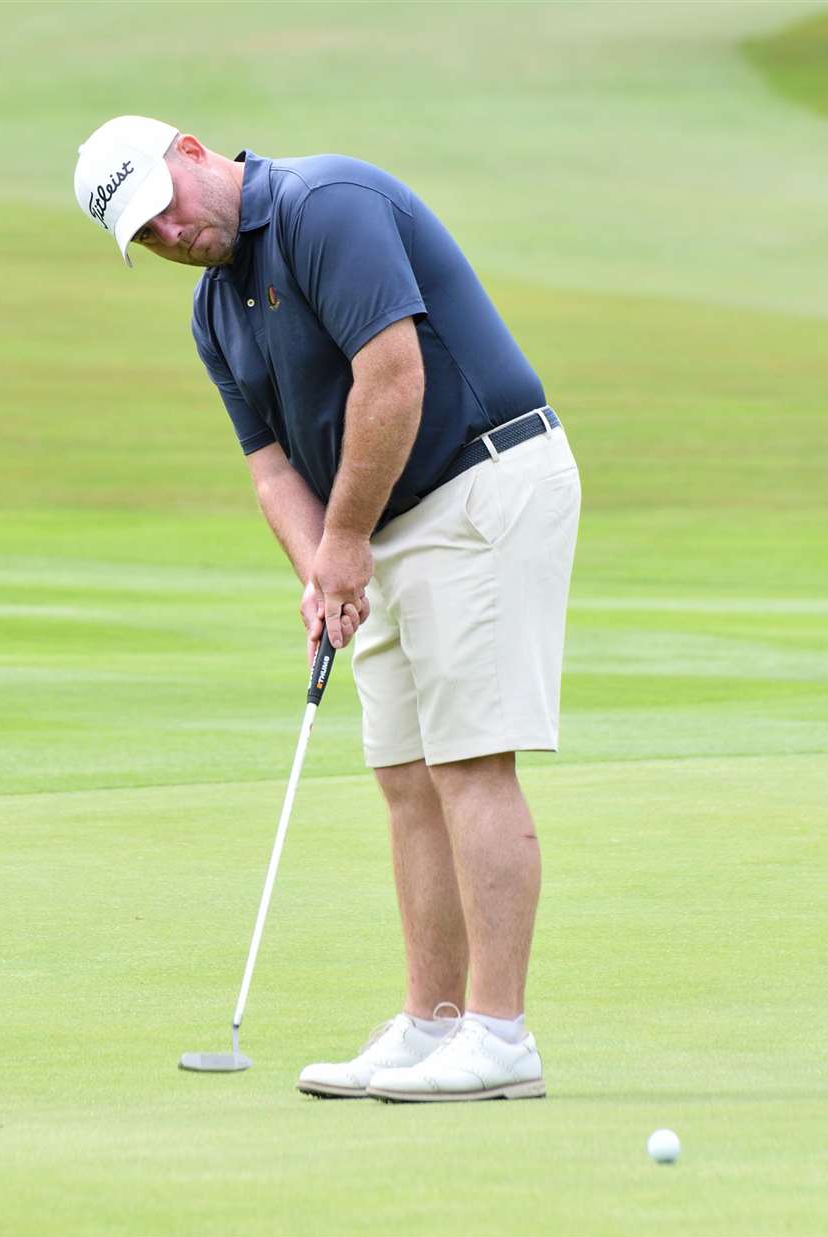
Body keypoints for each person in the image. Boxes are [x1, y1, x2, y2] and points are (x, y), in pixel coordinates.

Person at [74, 116, 581, 1103]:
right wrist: (320, 570)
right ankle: (431, 1022)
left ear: (189, 150)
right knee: (403, 772)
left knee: (469, 760)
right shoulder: (213, 312)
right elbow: (270, 470)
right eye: (144, 238)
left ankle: (499, 1034)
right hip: (381, 515)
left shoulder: (325, 207)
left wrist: (344, 544)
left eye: (163, 209)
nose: (168, 236)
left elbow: (394, 379)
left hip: (479, 479)